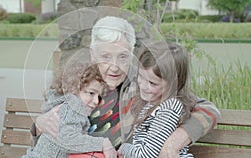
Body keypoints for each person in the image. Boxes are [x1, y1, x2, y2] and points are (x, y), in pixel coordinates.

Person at [31, 16, 221, 157]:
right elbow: (47, 138)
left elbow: (208, 110)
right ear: (92, 54)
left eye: (122, 57)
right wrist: (38, 125)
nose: (114, 66)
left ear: (131, 55)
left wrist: (173, 142)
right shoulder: (75, 84)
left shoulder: (142, 87)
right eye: (105, 57)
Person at [23, 61, 117, 158]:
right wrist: (102, 143)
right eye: (91, 93)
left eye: (99, 96)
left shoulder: (66, 107)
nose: (96, 101)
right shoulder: (71, 107)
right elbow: (67, 139)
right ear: (73, 89)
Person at [118, 41, 195, 158]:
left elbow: (147, 154)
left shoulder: (169, 107)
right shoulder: (150, 104)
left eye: (152, 83)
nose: (143, 86)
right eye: (140, 76)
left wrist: (123, 148)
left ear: (174, 83)